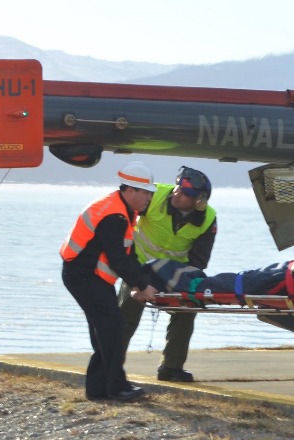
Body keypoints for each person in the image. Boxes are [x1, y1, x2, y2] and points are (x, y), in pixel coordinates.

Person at [60, 162, 160, 402]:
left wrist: (141, 280)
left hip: (86, 278)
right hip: (85, 278)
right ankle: (116, 388)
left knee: (104, 333)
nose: (150, 197)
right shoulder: (114, 215)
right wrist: (142, 286)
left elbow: (129, 255)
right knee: (112, 328)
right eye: (146, 192)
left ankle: (98, 389)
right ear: (131, 191)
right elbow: (117, 259)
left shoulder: (120, 209)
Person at [119, 166, 218, 382]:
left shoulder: (208, 218)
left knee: (187, 310)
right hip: (138, 268)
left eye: (186, 194)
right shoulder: (154, 196)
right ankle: (111, 365)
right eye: (177, 187)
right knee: (125, 316)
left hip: (172, 276)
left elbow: (198, 261)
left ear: (199, 201)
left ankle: (171, 368)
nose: (177, 194)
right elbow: (122, 222)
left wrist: (184, 288)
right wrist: (132, 273)